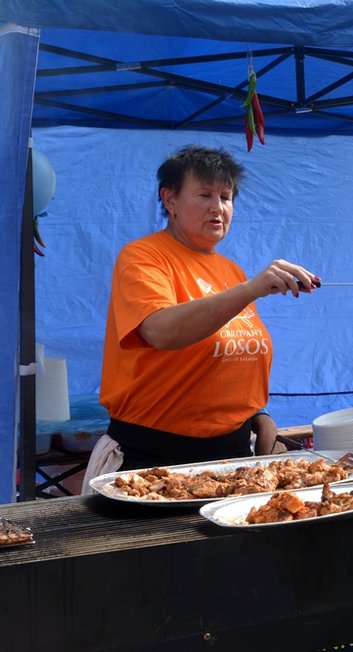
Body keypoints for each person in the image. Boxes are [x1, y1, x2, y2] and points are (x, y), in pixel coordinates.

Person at [93, 145, 320, 473]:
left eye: (226, 197)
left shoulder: (231, 272)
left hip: (232, 454)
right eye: (204, 195)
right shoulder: (143, 257)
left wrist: (258, 416)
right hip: (153, 458)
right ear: (170, 199)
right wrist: (251, 289)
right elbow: (160, 330)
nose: (218, 208)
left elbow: (227, 357)